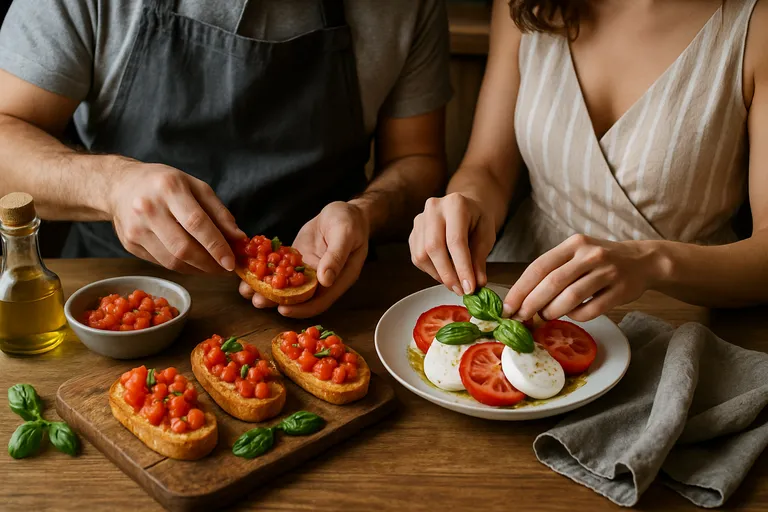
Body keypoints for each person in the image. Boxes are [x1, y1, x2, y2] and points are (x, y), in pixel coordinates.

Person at [0, 0, 451, 318]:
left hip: (334, 301)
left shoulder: (406, 6)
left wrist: (363, 214)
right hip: (124, 299)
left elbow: (418, 158)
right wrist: (111, 186)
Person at [410, 0, 768, 322]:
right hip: (519, 290)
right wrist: (466, 208)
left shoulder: (757, 26)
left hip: (683, 309)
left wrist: (653, 263)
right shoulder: (524, 5)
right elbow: (486, 168)